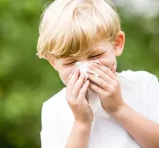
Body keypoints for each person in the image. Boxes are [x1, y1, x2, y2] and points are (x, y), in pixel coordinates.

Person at [37, 0, 159, 147]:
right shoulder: (53, 109)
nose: (85, 68)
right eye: (70, 62)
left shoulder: (143, 85)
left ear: (117, 44)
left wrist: (118, 108)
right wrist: (81, 122)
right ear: (53, 63)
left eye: (95, 56)